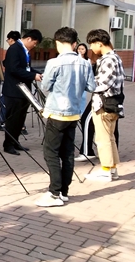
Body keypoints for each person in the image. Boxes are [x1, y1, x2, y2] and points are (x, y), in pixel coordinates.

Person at [35, 27, 96, 207]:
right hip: (75, 112)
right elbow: (91, 87)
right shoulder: (85, 63)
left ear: (58, 43)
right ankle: (64, 192)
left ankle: (54, 193)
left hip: (57, 112)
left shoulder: (54, 62)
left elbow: (45, 86)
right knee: (67, 152)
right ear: (75, 44)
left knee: (50, 152)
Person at [85, 29, 125, 182]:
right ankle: (112, 169)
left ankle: (105, 170)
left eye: (92, 44)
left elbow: (102, 84)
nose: (91, 48)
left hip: (104, 104)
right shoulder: (115, 57)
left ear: (99, 43)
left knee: (103, 139)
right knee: (110, 138)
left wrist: (86, 84)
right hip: (113, 103)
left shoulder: (108, 59)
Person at [2, 29, 43, 155]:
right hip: (14, 90)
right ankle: (8, 145)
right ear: (29, 39)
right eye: (35, 43)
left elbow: (26, 67)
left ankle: (15, 141)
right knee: (13, 119)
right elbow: (14, 69)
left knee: (20, 119)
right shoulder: (14, 49)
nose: (34, 46)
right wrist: (32, 76)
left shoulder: (24, 50)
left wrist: (35, 73)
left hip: (23, 91)